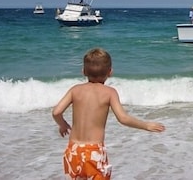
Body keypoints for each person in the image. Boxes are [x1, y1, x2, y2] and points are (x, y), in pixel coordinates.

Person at [52, 48, 165, 179]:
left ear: (83, 71)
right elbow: (123, 118)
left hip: (73, 151)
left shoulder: (75, 90)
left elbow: (56, 112)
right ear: (110, 72)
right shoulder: (109, 92)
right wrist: (146, 125)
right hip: (93, 152)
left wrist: (63, 125)